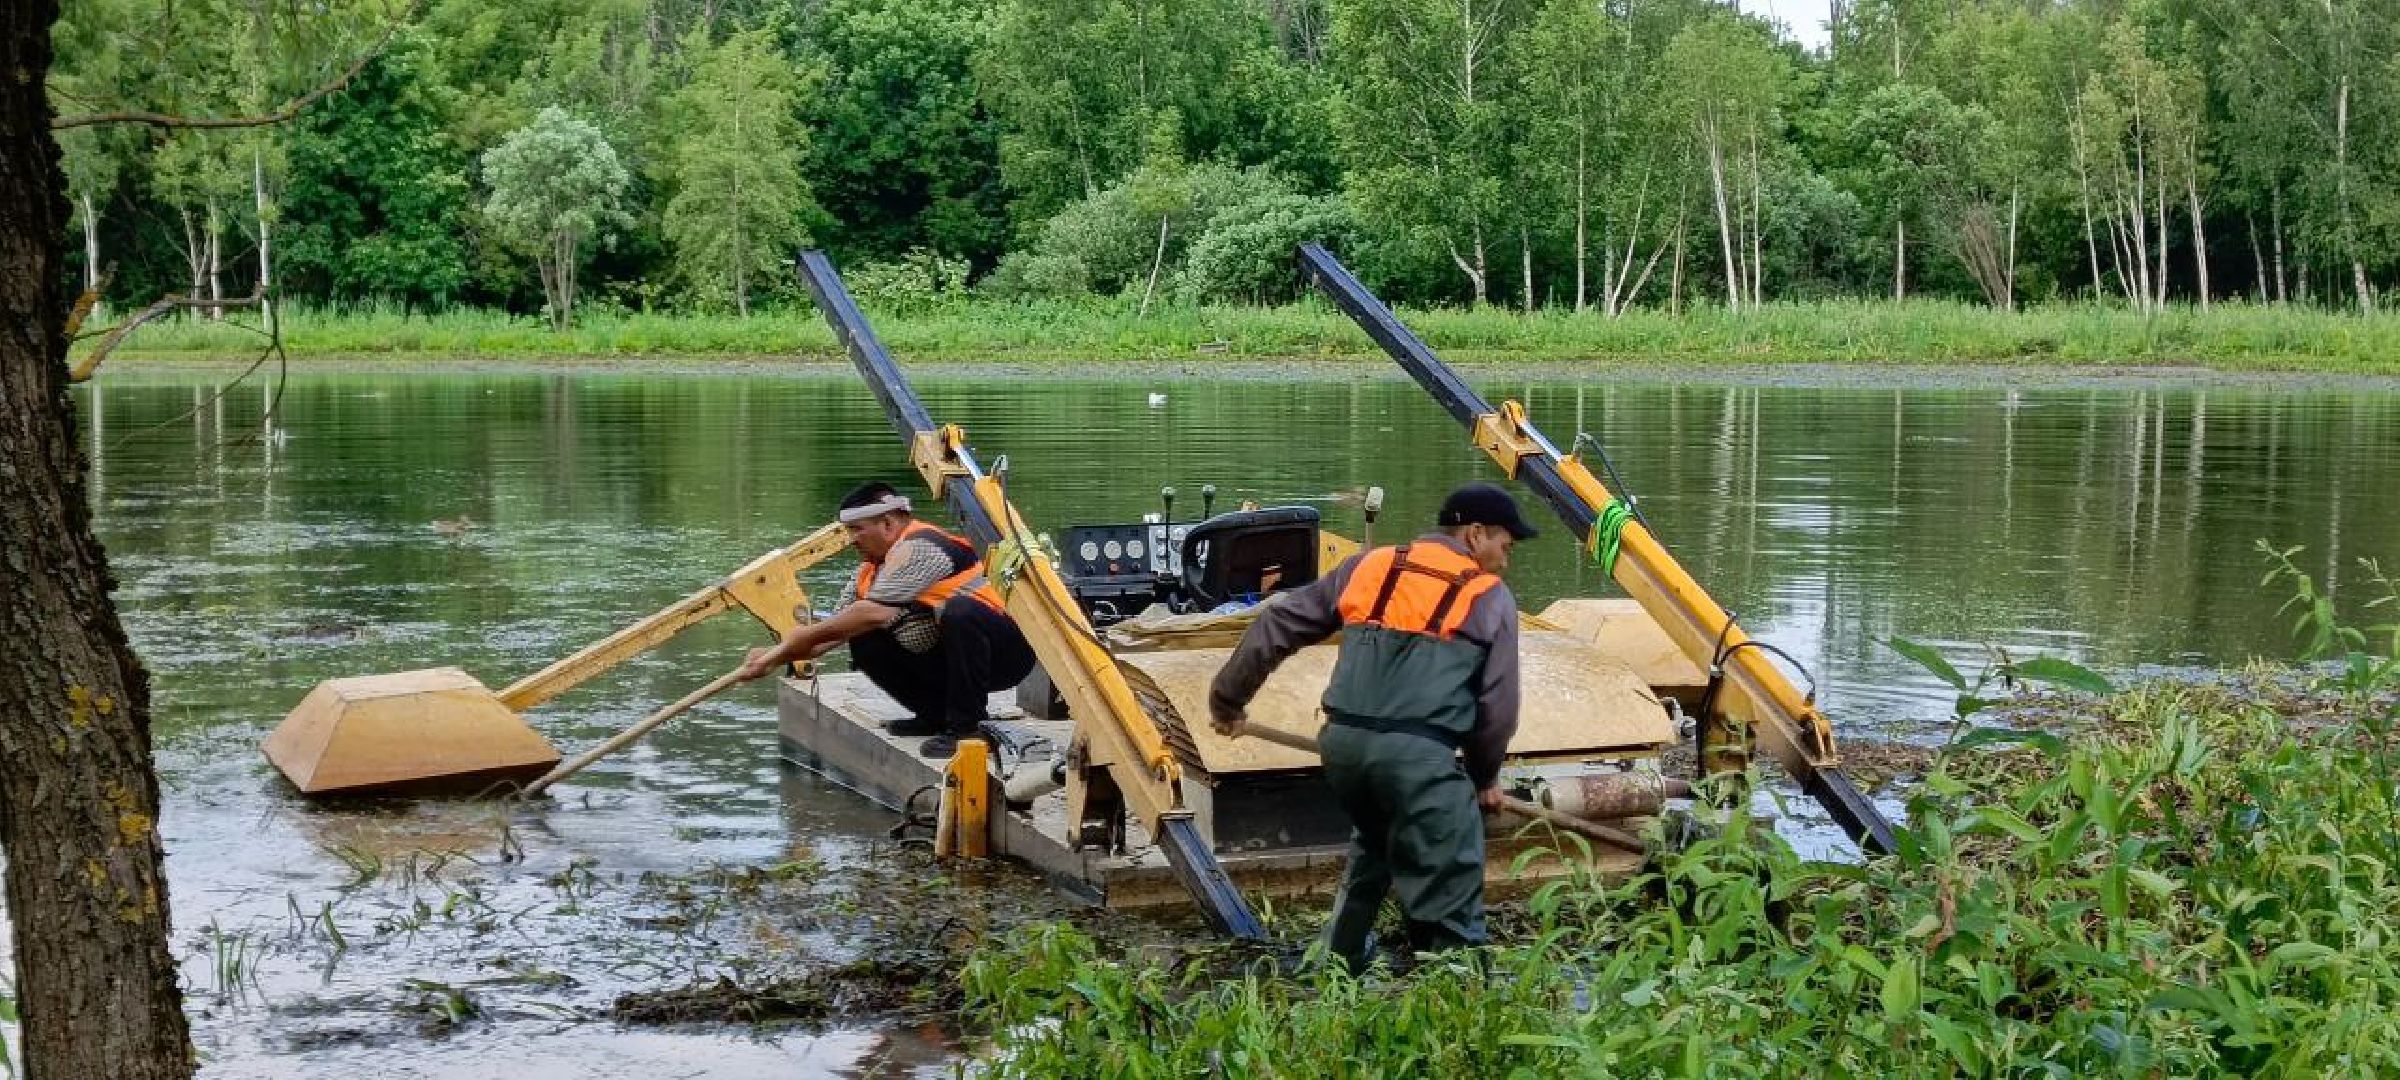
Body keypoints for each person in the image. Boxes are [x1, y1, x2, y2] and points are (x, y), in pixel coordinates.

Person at [1209, 482, 1534, 972]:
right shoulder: (1487, 595)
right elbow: (1498, 708)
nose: (1504, 562)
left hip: (1343, 752)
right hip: (1418, 760)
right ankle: (1458, 994)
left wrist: (1227, 700)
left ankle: (1335, 971)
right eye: (1503, 547)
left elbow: (1275, 624)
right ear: (1474, 534)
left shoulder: (1371, 564)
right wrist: (1484, 779)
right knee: (1450, 878)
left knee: (1378, 838)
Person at [736, 482, 1036, 759]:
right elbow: (831, 634)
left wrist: (795, 641)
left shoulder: (921, 547)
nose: (851, 541)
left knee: (959, 611)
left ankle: (966, 728)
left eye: (857, 530)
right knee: (863, 637)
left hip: (1005, 652)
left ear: (888, 523)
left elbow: (872, 613)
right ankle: (935, 716)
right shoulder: (868, 572)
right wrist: (772, 657)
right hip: (954, 658)